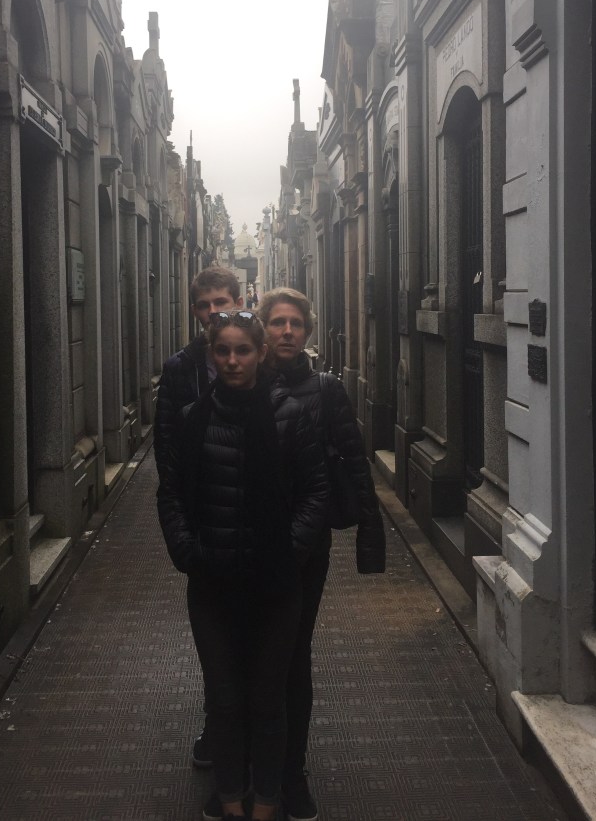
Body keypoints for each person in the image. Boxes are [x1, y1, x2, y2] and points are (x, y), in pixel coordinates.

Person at [157, 310, 329, 821]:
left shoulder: (290, 415)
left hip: (275, 588)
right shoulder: (193, 417)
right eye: (223, 351)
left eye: (243, 350)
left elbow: (315, 493)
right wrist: (187, 551)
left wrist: (286, 552)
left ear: (260, 354)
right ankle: (231, 799)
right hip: (213, 587)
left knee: (268, 701)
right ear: (212, 356)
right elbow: (172, 493)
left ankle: (267, 803)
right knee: (225, 699)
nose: (233, 360)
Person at [256, 287, 387, 821]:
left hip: (307, 550)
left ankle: (293, 774)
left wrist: (370, 538)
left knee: (293, 659)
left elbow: (355, 461)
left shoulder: (327, 390)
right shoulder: (244, 383)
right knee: (248, 656)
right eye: (277, 322)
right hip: (247, 548)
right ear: (263, 328)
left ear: (308, 331)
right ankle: (249, 766)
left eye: (296, 323)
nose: (287, 331)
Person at [154, 265, 243, 480]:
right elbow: (165, 438)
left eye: (220, 302)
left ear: (239, 304)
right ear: (194, 311)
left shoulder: (260, 360)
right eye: (204, 305)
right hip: (199, 482)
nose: (212, 312)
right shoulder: (179, 367)